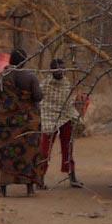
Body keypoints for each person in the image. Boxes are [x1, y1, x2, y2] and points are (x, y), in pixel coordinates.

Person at [0, 50, 46, 197]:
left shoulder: (1, 78)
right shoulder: (30, 77)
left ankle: (3, 188)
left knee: (5, 154)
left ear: (11, 60)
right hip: (28, 124)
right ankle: (29, 188)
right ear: (25, 61)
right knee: (29, 153)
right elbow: (38, 96)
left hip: (6, 127)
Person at [36, 57, 84, 189]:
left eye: (63, 69)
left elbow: (69, 102)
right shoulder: (44, 84)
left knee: (68, 147)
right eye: (58, 69)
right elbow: (39, 101)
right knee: (45, 150)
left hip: (65, 116)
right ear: (51, 70)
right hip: (48, 116)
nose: (61, 72)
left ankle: (72, 177)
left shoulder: (67, 83)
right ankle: (39, 178)